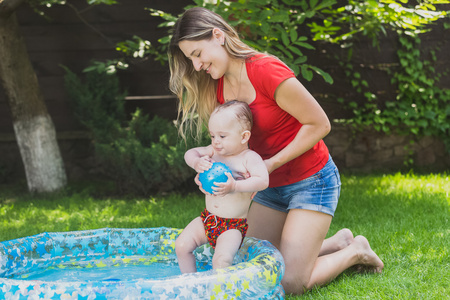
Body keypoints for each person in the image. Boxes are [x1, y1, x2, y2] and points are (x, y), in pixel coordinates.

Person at [168, 7, 384, 294]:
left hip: (311, 181)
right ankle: (337, 241)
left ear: (217, 35)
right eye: (190, 59)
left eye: (197, 54)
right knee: (254, 263)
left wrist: (270, 164)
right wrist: (210, 168)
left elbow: (319, 124)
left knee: (290, 281)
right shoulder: (219, 87)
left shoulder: (265, 70)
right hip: (269, 188)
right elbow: (232, 149)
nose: (196, 66)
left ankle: (355, 251)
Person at [175, 100, 269, 273]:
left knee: (222, 260)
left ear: (244, 137)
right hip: (208, 219)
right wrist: (196, 162)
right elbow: (190, 153)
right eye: (212, 136)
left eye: (222, 136)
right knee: (181, 245)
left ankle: (219, 292)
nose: (216, 141)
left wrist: (235, 186)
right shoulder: (214, 151)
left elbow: (263, 181)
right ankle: (190, 284)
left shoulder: (249, 158)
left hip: (232, 226)